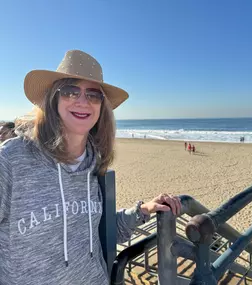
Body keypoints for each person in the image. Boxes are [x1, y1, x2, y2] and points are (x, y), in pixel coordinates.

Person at [0, 50, 181, 285]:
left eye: (93, 95)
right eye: (70, 91)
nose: (83, 101)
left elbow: (99, 229)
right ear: (53, 99)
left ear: (101, 107)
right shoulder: (12, 160)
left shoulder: (93, 164)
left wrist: (144, 210)